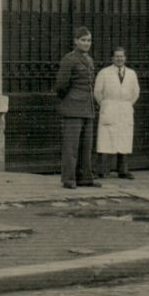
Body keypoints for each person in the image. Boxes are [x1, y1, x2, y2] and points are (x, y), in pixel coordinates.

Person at [54, 26, 100, 189]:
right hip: (72, 107)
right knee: (71, 146)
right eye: (83, 40)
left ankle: (85, 178)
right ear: (75, 41)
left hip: (87, 108)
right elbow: (61, 85)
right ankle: (69, 179)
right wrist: (68, 100)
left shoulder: (89, 60)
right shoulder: (69, 59)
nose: (86, 43)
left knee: (86, 145)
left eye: (89, 40)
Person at [93, 47, 141, 179]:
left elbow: (136, 92)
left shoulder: (131, 73)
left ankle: (123, 170)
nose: (119, 59)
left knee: (124, 139)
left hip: (125, 107)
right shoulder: (104, 73)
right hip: (109, 107)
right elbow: (97, 92)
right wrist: (104, 104)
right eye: (117, 56)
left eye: (122, 56)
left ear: (125, 58)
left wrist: (128, 104)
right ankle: (102, 170)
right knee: (105, 139)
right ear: (112, 58)